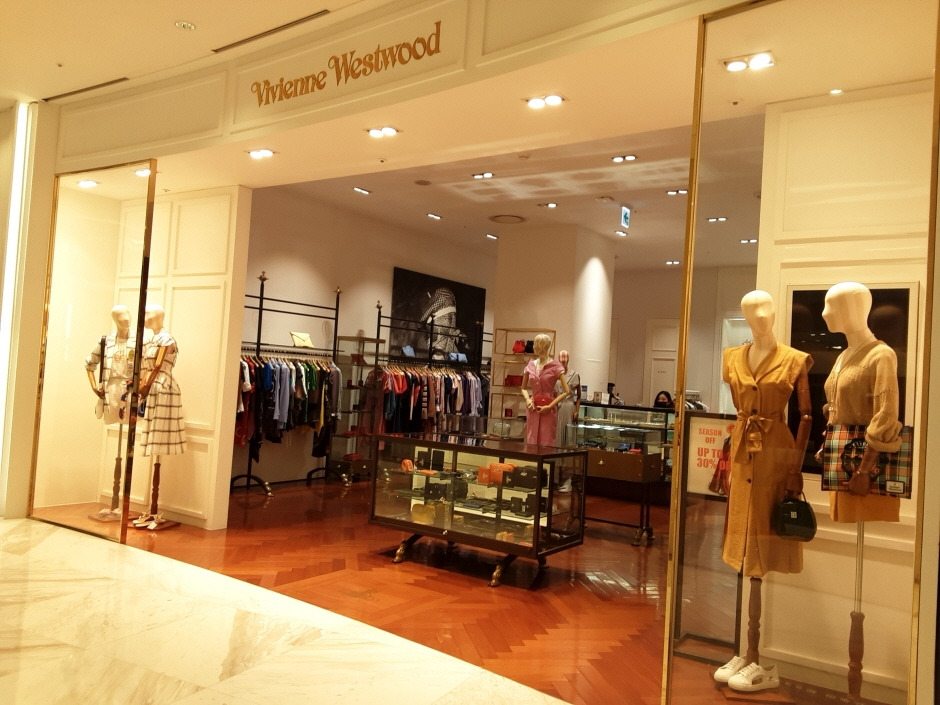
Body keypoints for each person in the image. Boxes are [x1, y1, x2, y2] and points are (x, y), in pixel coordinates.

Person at [714, 290, 813, 692]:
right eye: (750, 311)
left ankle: (756, 656)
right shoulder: (732, 358)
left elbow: (807, 416)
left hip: (776, 454)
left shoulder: (793, 359)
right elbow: (740, 408)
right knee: (741, 539)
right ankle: (745, 652)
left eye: (765, 310)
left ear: (775, 314)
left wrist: (796, 469)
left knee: (764, 538)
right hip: (743, 453)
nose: (759, 317)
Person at [818, 281, 903, 521]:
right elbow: (836, 406)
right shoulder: (844, 355)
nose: (824, 313)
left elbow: (886, 413)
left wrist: (864, 470)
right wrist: (828, 444)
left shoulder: (881, 355)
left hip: (864, 466)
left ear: (852, 309)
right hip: (843, 459)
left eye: (831, 306)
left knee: (861, 517)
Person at [85, 304, 136, 425]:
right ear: (115, 319)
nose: (127, 319)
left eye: (128, 315)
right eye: (121, 316)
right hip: (111, 391)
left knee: (129, 422)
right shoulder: (106, 341)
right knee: (113, 417)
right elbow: (90, 363)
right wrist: (94, 387)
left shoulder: (139, 341)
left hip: (130, 391)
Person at [520, 333, 569, 447]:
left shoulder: (555, 366)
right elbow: (523, 388)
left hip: (548, 408)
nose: (536, 347)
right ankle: (532, 458)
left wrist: (550, 406)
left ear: (546, 346)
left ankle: (546, 458)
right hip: (533, 407)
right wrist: (527, 399)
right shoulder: (530, 365)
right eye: (535, 344)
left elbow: (567, 391)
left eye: (538, 344)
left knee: (546, 440)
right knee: (531, 438)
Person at [554, 350, 580, 447]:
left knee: (569, 434)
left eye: (565, 360)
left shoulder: (574, 375)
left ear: (568, 360)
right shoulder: (554, 374)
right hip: (557, 406)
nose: (563, 362)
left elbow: (579, 396)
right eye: (561, 360)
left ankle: (568, 454)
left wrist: (577, 411)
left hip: (569, 406)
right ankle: (556, 454)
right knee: (557, 433)